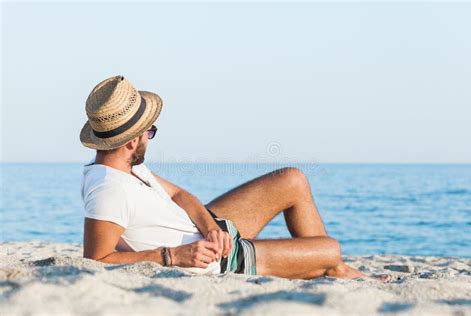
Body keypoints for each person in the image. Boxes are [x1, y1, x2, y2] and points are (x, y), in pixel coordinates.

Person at [80, 75, 390, 281]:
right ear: (132, 141)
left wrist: (211, 228)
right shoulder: (109, 189)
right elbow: (96, 261)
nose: (151, 137)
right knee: (329, 249)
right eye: (150, 132)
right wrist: (172, 256)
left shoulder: (128, 167)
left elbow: (179, 196)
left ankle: (332, 268)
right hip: (222, 261)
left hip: (211, 232)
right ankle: (334, 268)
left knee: (292, 179)